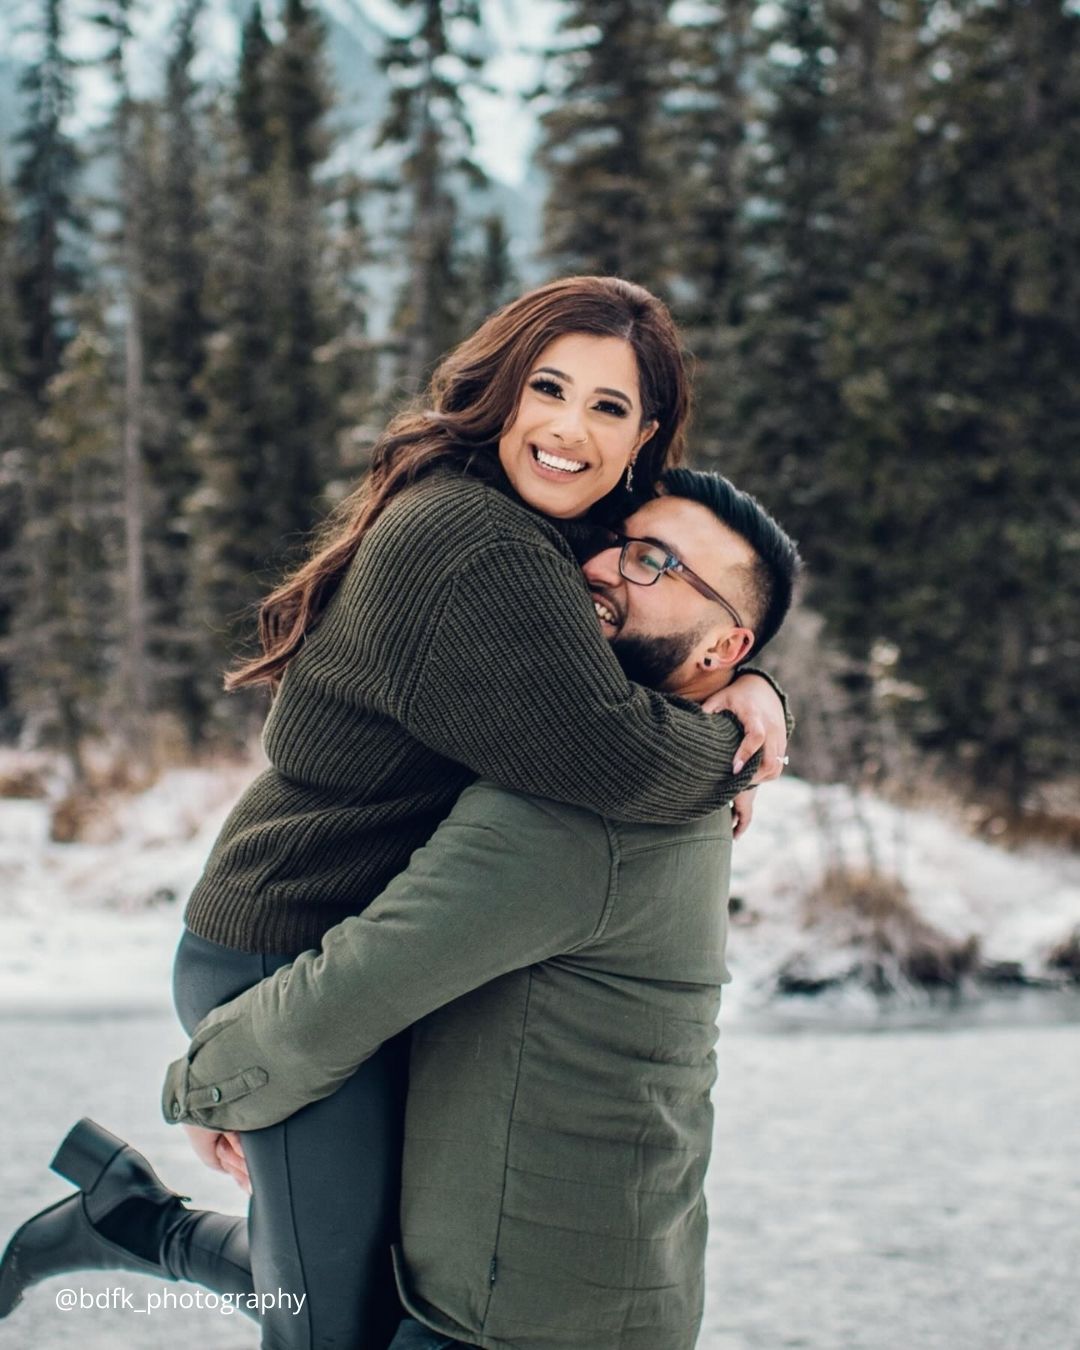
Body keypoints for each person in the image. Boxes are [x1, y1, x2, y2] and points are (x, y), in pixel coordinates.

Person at [0, 279, 791, 1348]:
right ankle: (136, 1232)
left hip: (371, 944)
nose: (569, 427)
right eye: (549, 388)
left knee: (367, 1287)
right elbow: (607, 753)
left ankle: (128, 1221)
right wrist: (733, 741)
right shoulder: (475, 543)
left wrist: (751, 681)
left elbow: (678, 632)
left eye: (608, 407)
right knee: (332, 1325)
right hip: (282, 948)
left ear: (645, 434)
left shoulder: (565, 537)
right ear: (505, 392)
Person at [161, 469, 803, 1350]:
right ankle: (136, 1226)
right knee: (327, 1293)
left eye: (656, 564)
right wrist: (754, 695)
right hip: (577, 1282)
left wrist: (209, 1088)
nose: (606, 567)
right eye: (619, 538)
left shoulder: (583, 810)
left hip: (521, 1319)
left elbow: (349, 993)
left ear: (721, 647)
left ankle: (137, 1228)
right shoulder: (636, 757)